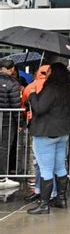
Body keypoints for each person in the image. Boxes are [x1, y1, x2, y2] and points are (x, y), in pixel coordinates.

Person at [27, 63, 70, 215]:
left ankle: (44, 204)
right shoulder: (69, 90)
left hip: (46, 132)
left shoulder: (50, 89)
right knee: (60, 167)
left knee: (46, 169)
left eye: (48, 71)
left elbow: (40, 108)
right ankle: (61, 199)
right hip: (63, 132)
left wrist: (33, 94)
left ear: (54, 73)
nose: (46, 74)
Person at [0, 59, 21, 189]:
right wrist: (19, 122)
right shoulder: (12, 83)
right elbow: (15, 105)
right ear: (12, 69)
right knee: (4, 148)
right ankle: (2, 177)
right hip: (6, 121)